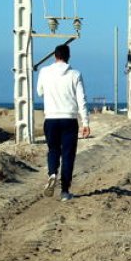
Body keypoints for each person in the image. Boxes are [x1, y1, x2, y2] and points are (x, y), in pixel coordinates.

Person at [36, 44, 90, 201]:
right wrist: (85, 122)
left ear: (55, 56)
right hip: (69, 119)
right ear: (68, 57)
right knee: (68, 155)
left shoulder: (44, 72)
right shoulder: (75, 74)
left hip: (51, 119)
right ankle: (65, 191)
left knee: (53, 150)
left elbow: (40, 92)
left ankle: (52, 173)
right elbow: (82, 99)